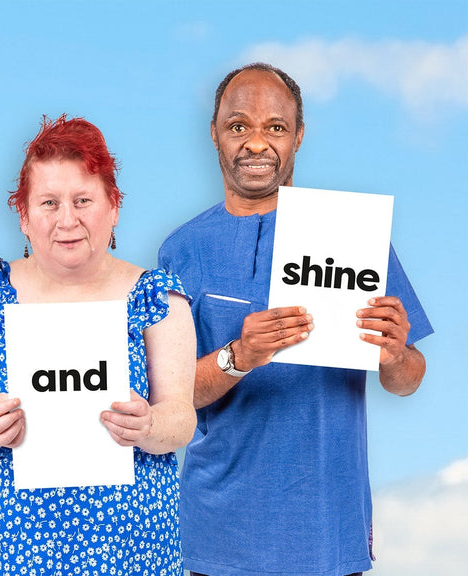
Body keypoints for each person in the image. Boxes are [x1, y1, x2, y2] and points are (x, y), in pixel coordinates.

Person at [157, 63, 432, 576]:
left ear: (298, 136)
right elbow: (171, 395)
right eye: (239, 126)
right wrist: (239, 357)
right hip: (218, 538)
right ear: (215, 134)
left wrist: (394, 355)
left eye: (275, 127)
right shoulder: (182, 250)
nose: (256, 143)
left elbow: (409, 379)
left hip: (329, 534)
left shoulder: (355, 237)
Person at [0, 115, 197, 576]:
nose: (68, 219)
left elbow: (181, 419)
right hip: (2, 549)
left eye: (83, 200)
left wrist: (150, 425)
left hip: (131, 550)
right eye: (48, 202)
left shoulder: (159, 300)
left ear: (113, 207)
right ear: (23, 215)